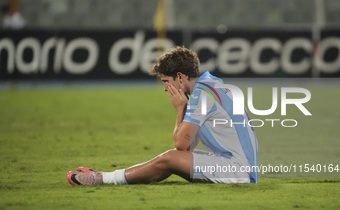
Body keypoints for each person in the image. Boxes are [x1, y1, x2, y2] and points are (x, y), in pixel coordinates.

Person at [67, 46, 258, 186]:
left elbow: (180, 145)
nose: (165, 88)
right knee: (172, 159)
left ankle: (103, 178)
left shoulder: (202, 95)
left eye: (166, 81)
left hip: (237, 170)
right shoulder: (211, 85)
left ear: (180, 77)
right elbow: (189, 145)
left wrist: (179, 110)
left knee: (169, 158)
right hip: (239, 166)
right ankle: (109, 177)